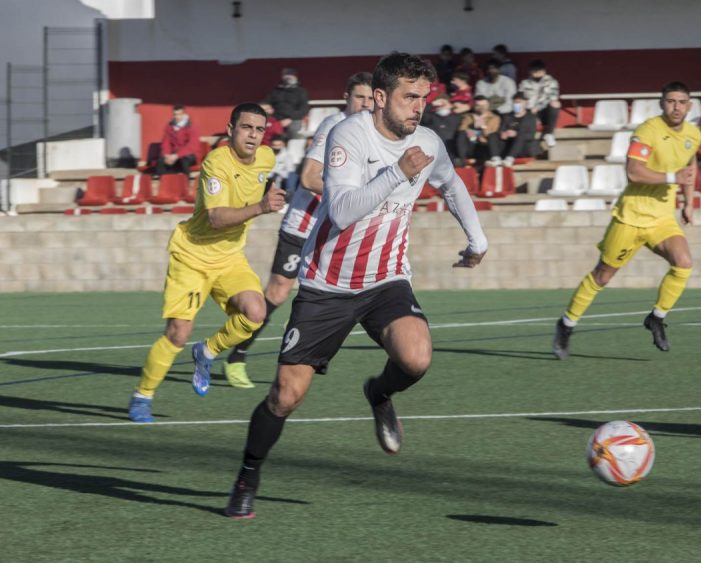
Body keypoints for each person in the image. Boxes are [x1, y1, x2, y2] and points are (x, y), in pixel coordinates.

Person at [224, 53, 488, 519]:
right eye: (409, 98)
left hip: (386, 280)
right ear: (381, 98)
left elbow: (451, 185)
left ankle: (379, 394)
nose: (418, 108)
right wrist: (398, 172)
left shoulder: (426, 141)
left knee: (416, 357)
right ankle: (248, 473)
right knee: (286, 396)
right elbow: (342, 211)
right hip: (327, 284)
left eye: (424, 99)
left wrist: (477, 238)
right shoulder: (349, 134)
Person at [127, 103, 286, 423]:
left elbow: (258, 182)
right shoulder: (216, 162)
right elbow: (215, 218)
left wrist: (268, 194)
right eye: (246, 128)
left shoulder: (267, 158)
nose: (253, 135)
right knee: (177, 333)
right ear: (230, 130)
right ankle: (143, 395)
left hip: (229, 257)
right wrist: (261, 206)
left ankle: (208, 351)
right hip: (193, 256)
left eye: (259, 129)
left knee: (256, 312)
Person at [223, 72, 375, 387]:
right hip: (304, 224)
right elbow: (308, 179)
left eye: (371, 98)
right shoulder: (333, 127)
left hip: (334, 229)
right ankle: (237, 353)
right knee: (278, 291)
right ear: (346, 97)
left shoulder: (372, 133)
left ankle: (309, 355)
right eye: (360, 97)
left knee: (338, 294)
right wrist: (353, 195)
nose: (365, 104)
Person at [553, 82, 701, 360]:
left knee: (684, 263)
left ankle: (656, 318)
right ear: (661, 104)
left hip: (661, 217)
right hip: (630, 218)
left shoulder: (693, 134)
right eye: (671, 101)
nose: (676, 107)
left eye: (682, 102)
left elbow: (690, 165)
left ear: (690, 105)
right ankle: (566, 325)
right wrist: (674, 179)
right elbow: (634, 173)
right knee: (603, 276)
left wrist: (689, 202)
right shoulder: (647, 131)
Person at [518, 60, 561, 148]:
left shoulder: (552, 81)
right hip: (529, 111)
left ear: (544, 70)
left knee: (555, 103)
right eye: (534, 70)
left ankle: (549, 133)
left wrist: (538, 107)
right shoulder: (524, 83)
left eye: (539, 70)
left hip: (544, 111)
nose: (537, 73)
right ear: (530, 71)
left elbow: (552, 97)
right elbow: (519, 98)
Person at [456, 96, 502, 167]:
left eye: (484, 105)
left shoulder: (494, 118)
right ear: (474, 106)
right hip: (471, 144)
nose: (481, 107)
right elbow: (462, 129)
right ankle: (462, 159)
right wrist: (473, 130)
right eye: (478, 105)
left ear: (488, 105)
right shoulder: (468, 117)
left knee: (492, 136)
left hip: (485, 146)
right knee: (462, 134)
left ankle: (495, 159)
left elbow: (491, 133)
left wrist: (482, 126)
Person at [265, 68, 310, 139]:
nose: (288, 77)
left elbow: (304, 109)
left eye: (291, 75)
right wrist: (268, 109)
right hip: (276, 119)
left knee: (295, 131)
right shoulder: (275, 90)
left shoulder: (301, 91)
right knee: (268, 129)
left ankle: (295, 147)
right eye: (286, 75)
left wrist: (290, 119)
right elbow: (266, 103)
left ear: (296, 77)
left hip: (294, 120)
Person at [157, 105, 202, 176]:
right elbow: (166, 142)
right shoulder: (170, 126)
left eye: (179, 114)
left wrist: (177, 155)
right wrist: (166, 155)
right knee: (161, 161)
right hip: (174, 155)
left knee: (184, 162)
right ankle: (166, 182)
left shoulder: (191, 126)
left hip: (190, 155)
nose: (177, 117)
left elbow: (192, 145)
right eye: (175, 114)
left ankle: (186, 183)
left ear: (184, 114)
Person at [498, 92, 540, 164]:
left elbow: (531, 135)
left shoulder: (531, 117)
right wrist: (504, 133)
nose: (516, 104)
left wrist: (516, 134)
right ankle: (495, 158)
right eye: (514, 102)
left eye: (519, 102)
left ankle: (510, 158)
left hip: (524, 147)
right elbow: (501, 129)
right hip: (509, 145)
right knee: (493, 135)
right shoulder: (507, 116)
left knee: (521, 135)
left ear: (525, 103)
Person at [421, 94, 463, 165]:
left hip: (450, 153)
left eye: (445, 104)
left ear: (450, 105)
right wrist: (432, 104)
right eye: (440, 105)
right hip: (432, 152)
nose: (442, 106)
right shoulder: (430, 117)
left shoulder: (457, 118)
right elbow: (420, 111)